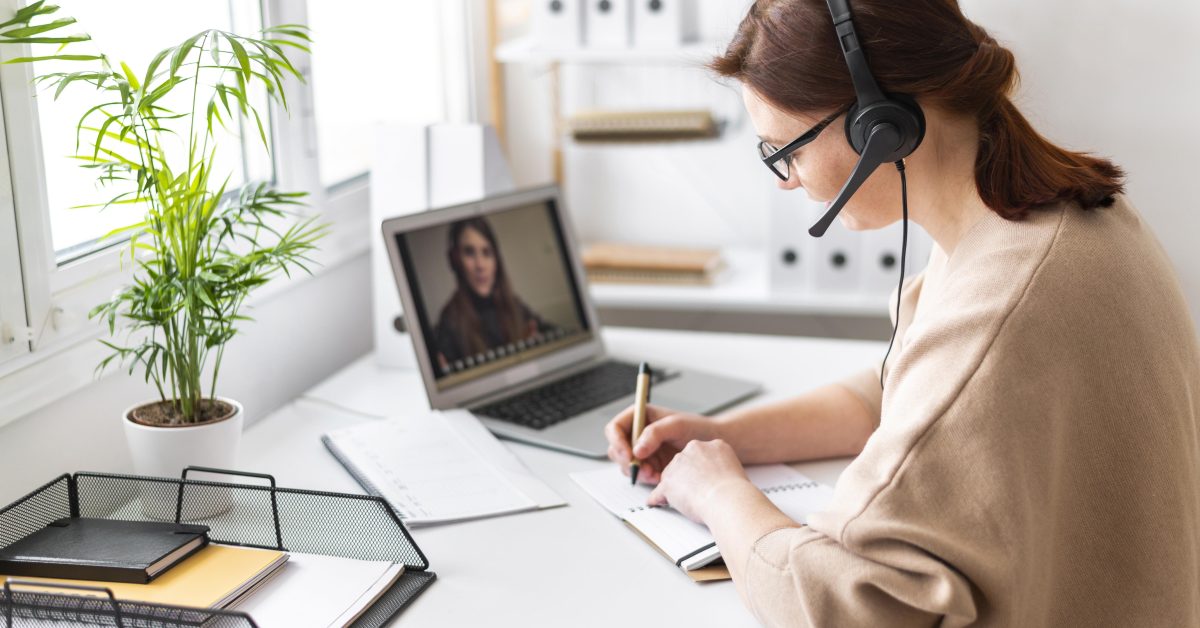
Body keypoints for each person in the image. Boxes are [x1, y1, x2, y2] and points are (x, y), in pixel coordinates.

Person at [605, 0, 1200, 625]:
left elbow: (852, 607)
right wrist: (723, 439)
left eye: (788, 149)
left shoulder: (1001, 305)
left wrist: (720, 494)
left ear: (880, 126)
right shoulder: (1051, 221)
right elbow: (904, 393)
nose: (784, 180)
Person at [432, 217, 551, 372]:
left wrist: (537, 345)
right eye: (469, 252)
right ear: (455, 259)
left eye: (487, 253)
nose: (480, 265)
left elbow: (553, 333)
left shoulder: (513, 303)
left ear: (496, 260)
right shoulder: (449, 322)